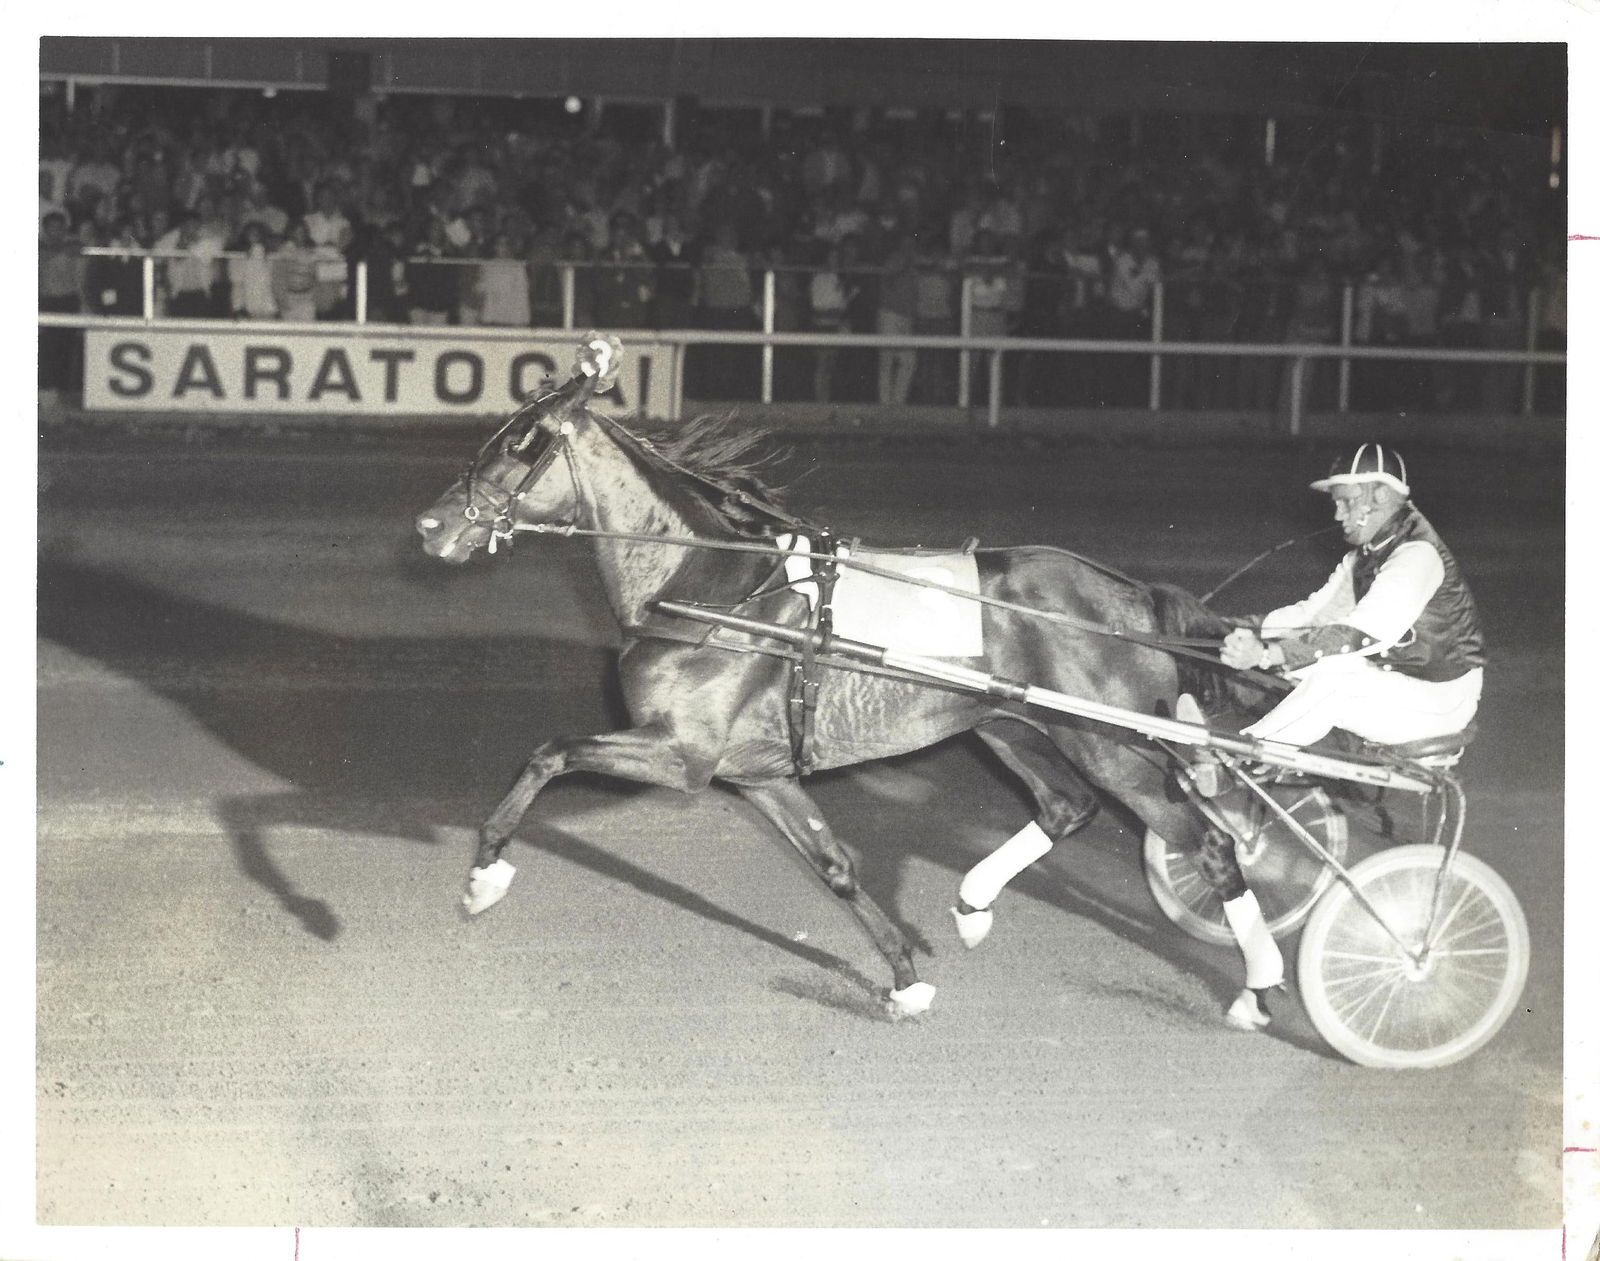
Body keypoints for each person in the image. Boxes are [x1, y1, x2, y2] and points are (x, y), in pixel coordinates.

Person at [1216, 443, 1485, 751]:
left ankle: (1236, 756)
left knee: (1331, 680)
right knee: (1308, 668)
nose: (1337, 513)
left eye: (1346, 501)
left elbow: (1364, 634)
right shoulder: (1366, 556)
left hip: (1443, 698)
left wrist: (1268, 654)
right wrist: (1237, 629)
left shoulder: (1417, 554)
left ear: (1380, 495)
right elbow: (1314, 614)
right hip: (1401, 681)